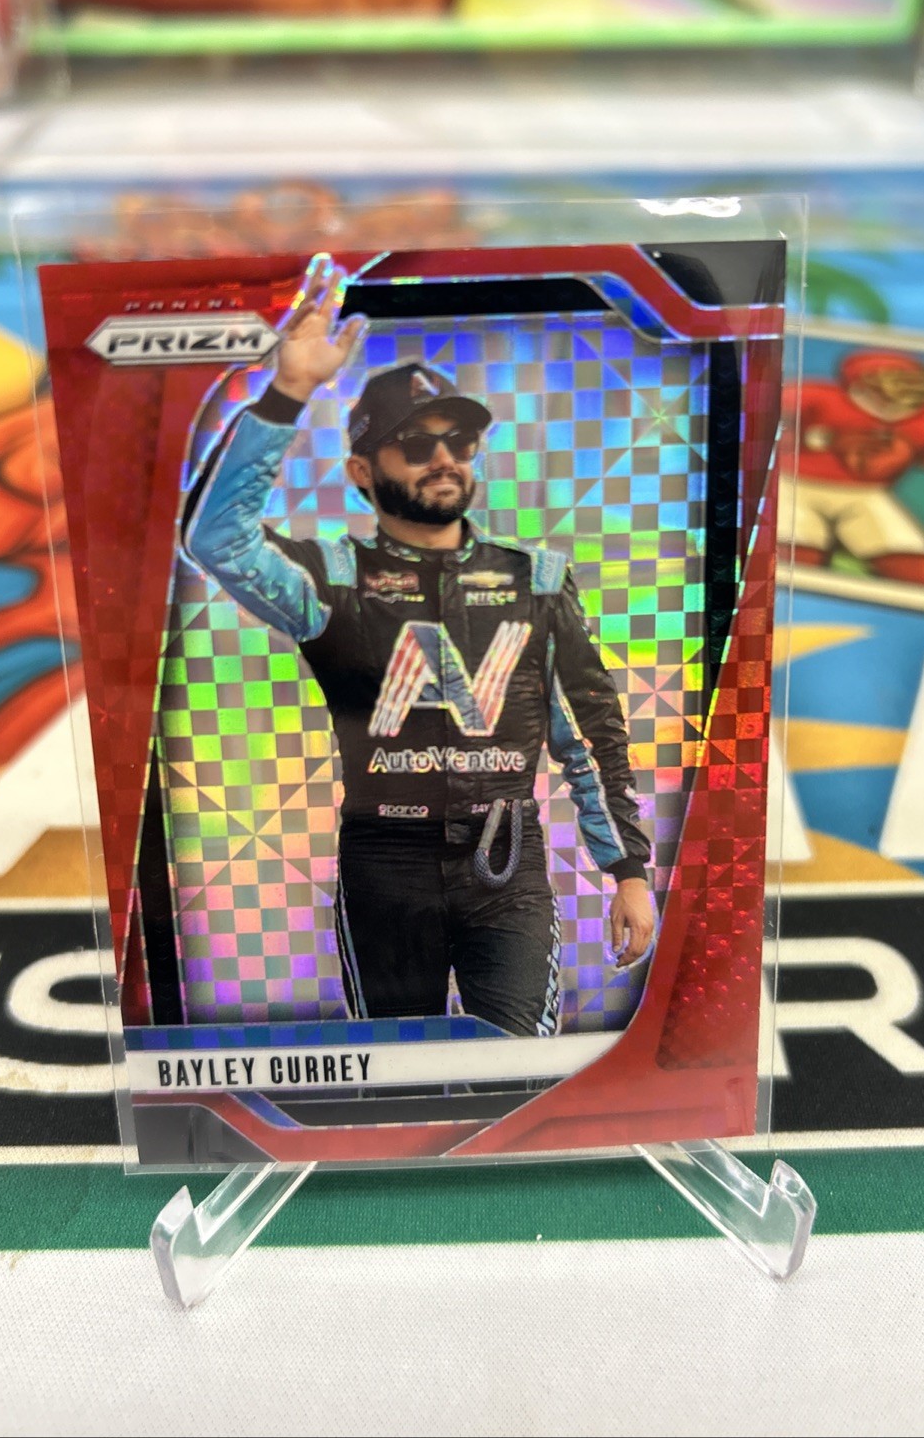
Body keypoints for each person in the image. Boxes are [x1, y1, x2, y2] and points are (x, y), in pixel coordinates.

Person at [185, 256, 654, 1038]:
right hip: (384, 863)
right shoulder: (329, 578)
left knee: (516, 1071)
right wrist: (288, 391)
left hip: (505, 860)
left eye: (459, 439)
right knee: (395, 1075)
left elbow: (589, 734)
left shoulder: (536, 580)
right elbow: (216, 539)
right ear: (361, 470)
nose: (444, 457)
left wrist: (627, 871)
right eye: (416, 441)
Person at [779, 348, 924, 588]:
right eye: (882, 399)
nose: (893, 411)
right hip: (795, 486)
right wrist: (819, 439)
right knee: (793, 558)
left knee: (922, 575)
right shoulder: (811, 397)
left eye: (908, 404)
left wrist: (921, 456)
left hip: (867, 494)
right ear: (858, 386)